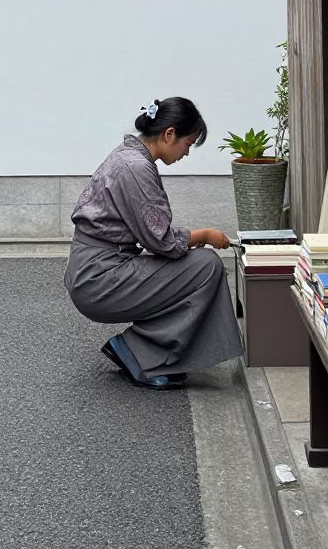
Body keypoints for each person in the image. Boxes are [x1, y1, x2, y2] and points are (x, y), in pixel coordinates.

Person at [64, 97, 243, 390]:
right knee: (206, 266)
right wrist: (206, 235)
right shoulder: (136, 166)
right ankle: (139, 353)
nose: (186, 152)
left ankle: (139, 349)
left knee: (194, 267)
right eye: (188, 143)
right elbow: (162, 242)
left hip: (95, 269)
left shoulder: (129, 157)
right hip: (100, 277)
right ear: (169, 134)